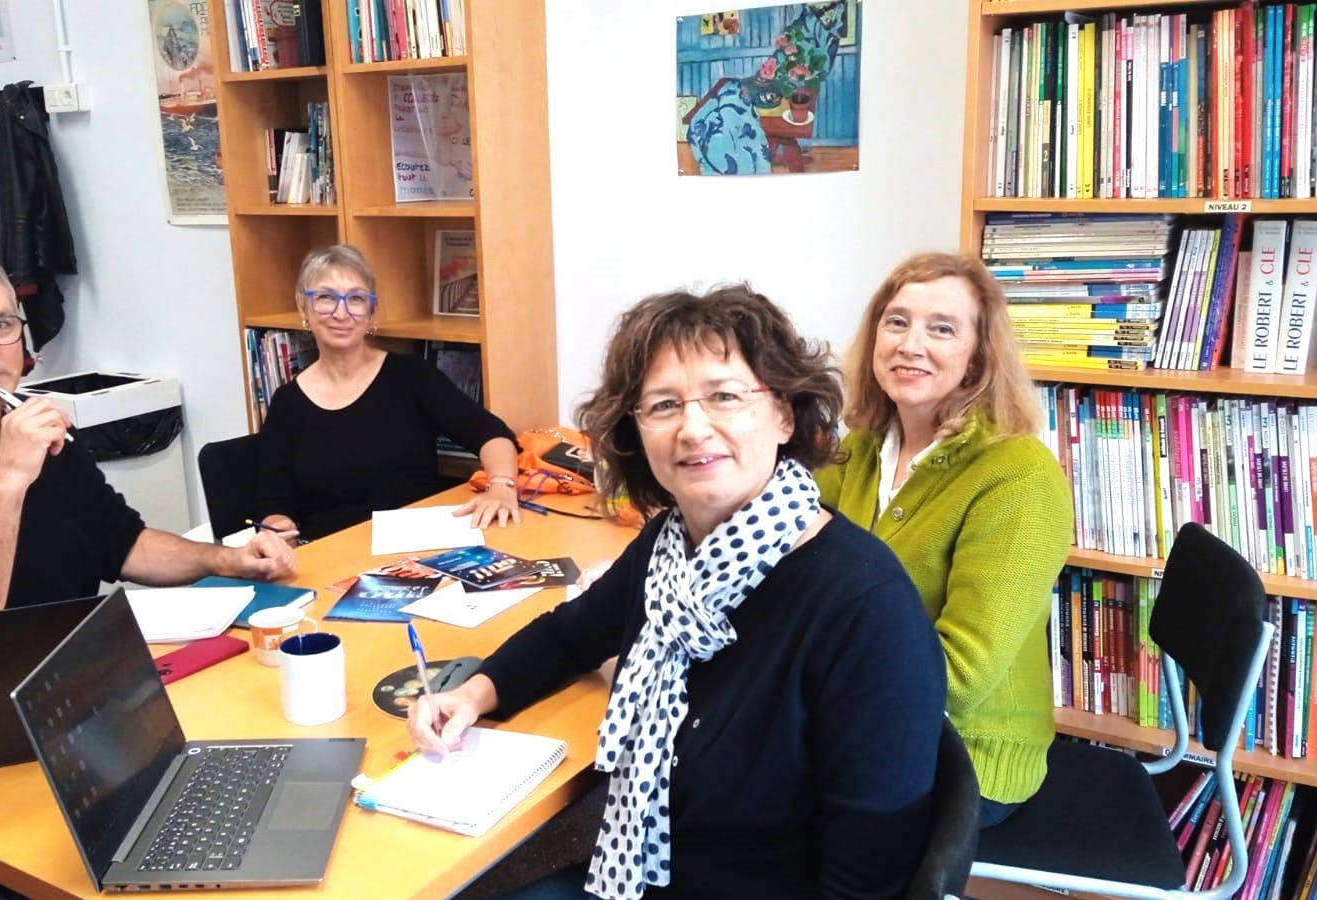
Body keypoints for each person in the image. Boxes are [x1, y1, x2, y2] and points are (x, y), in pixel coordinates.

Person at [409, 286, 947, 898]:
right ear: (635, 431)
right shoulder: (670, 547)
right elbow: (569, 635)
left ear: (784, 414)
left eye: (725, 395)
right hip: (645, 871)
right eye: (663, 405)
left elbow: (865, 881)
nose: (693, 428)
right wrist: (472, 694)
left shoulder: (865, 608)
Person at [0, 242, 297, 629]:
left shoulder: (38, 424)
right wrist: (9, 480)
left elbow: (121, 543)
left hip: (69, 680)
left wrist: (227, 559)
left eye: (1, 325)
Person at [814, 251, 1073, 827]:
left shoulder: (1018, 477)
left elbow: (958, 679)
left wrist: (801, 672)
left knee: (743, 798)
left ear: (977, 356)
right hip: (864, 719)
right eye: (897, 321)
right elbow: (781, 545)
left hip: (965, 757)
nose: (911, 344)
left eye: (942, 328)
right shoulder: (861, 448)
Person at [252, 244, 520, 542]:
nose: (341, 313)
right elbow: (272, 504)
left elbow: (492, 434)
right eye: (326, 298)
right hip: (327, 555)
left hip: (415, 550)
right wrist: (277, 526)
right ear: (304, 306)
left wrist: (501, 486)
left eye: (355, 299)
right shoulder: (287, 403)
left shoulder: (411, 377)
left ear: (371, 311)